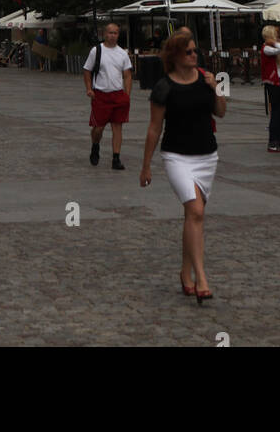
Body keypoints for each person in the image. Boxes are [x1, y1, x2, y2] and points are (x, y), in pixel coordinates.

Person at [140, 28, 226, 302]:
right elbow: (154, 128)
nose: (193, 55)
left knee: (193, 216)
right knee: (196, 211)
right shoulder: (163, 87)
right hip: (176, 156)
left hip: (207, 156)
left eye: (194, 51)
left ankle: (185, 272)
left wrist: (216, 88)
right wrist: (146, 165)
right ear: (175, 56)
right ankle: (201, 278)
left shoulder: (205, 79)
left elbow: (221, 112)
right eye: (188, 52)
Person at [83, 24, 132, 169]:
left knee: (117, 127)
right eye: (110, 33)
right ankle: (95, 145)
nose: (113, 36)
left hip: (118, 95)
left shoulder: (122, 54)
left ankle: (116, 158)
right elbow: (87, 70)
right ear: (104, 34)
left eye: (115, 33)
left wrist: (127, 95)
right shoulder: (96, 51)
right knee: (98, 128)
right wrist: (89, 88)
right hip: (100, 95)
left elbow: (127, 75)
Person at [261, 24, 280, 153]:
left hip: (277, 81)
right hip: (273, 83)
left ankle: (278, 140)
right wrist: (273, 42)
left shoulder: (270, 48)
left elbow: (278, 68)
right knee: (278, 112)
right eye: (275, 35)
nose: (277, 37)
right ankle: (273, 142)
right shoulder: (266, 48)